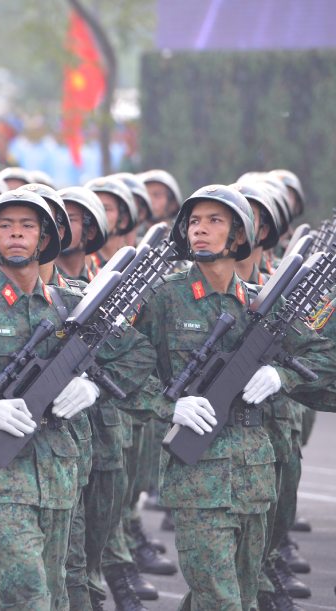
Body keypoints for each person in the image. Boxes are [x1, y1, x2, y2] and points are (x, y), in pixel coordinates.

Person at [0, 188, 155, 609]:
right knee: (28, 592)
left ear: (45, 239)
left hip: (61, 475)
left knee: (50, 594)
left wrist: (94, 386)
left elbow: (139, 352)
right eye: (5, 226)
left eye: (27, 226)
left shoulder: (73, 305)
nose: (16, 235)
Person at [133, 184, 336, 610]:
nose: (200, 230)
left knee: (239, 599)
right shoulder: (164, 298)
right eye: (194, 221)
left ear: (239, 235)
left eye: (214, 221)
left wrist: (281, 375)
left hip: (254, 478)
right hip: (197, 480)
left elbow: (323, 356)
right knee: (220, 601)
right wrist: (169, 406)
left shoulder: (259, 304)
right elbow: (119, 366)